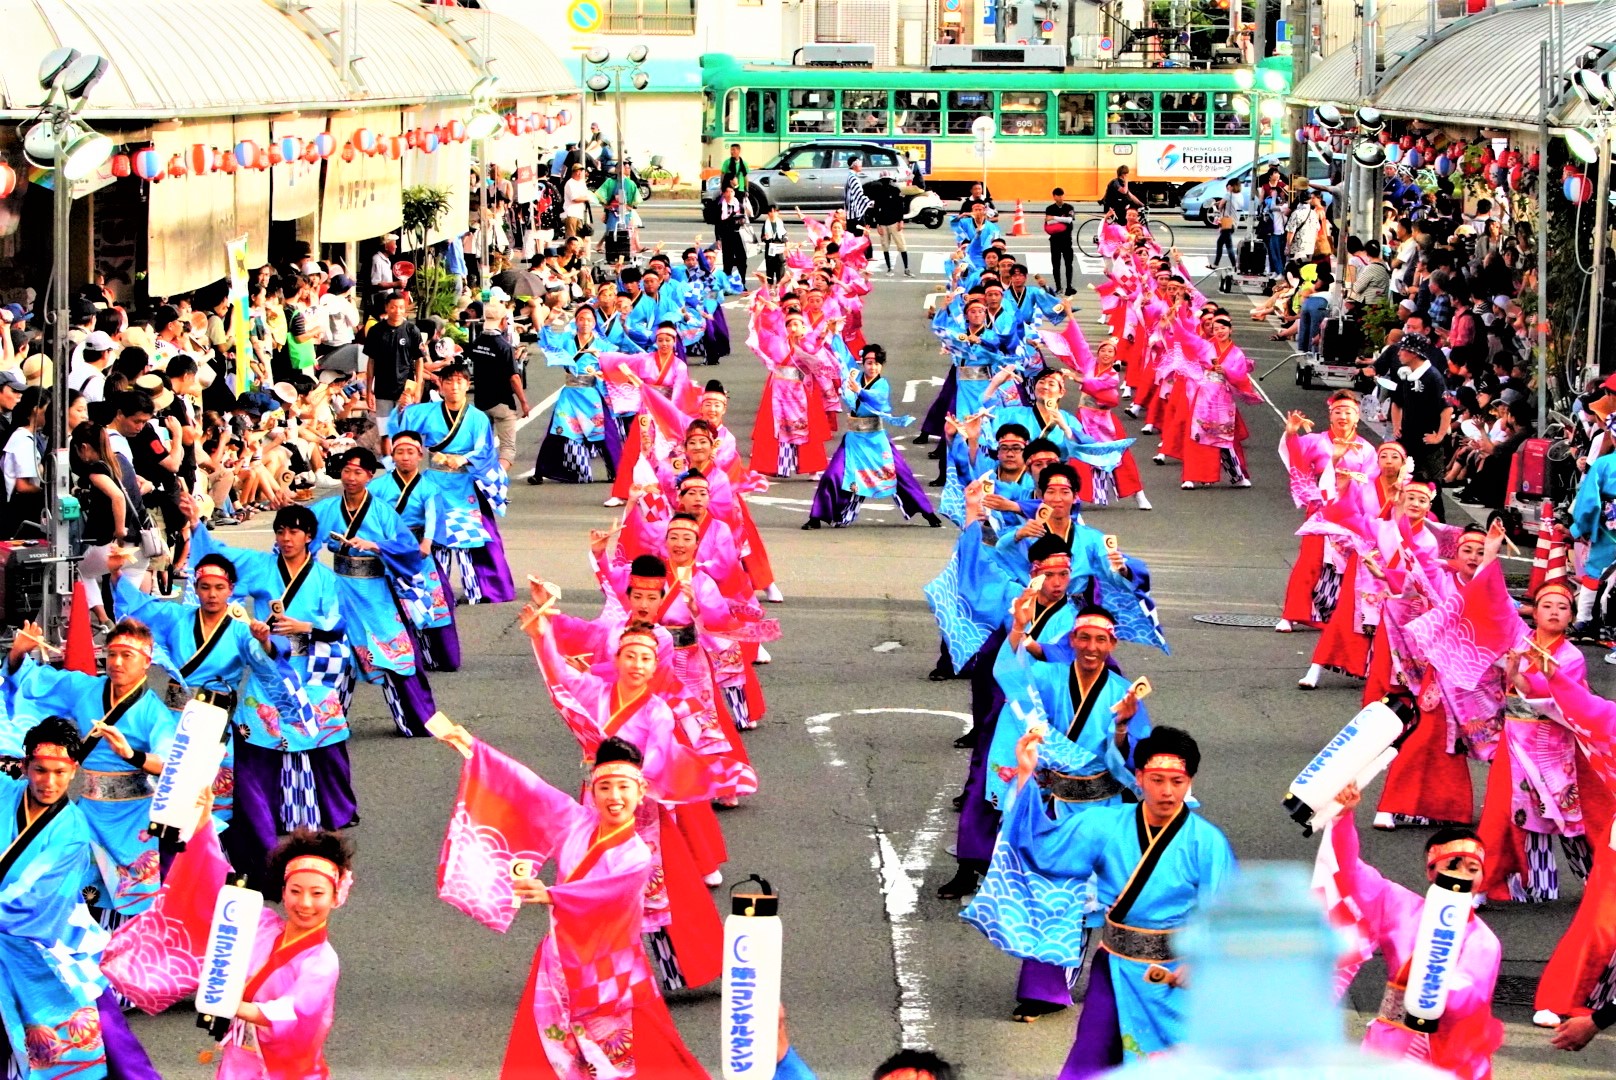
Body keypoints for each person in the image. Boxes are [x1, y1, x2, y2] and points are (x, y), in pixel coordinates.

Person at [431, 728, 709, 1079]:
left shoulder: (636, 854)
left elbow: (608, 892)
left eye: (624, 787)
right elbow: (528, 788)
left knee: (648, 1055)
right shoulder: (576, 822)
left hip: (612, 970)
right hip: (560, 957)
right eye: (605, 787)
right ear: (592, 792)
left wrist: (552, 894)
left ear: (641, 793)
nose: (614, 797)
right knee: (540, 1053)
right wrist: (472, 747)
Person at [963, 725, 1234, 1076]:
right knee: (1091, 1056)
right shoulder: (1105, 825)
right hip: (1116, 967)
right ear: (1138, 777)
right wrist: (1027, 775)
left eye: (1177, 781)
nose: (1167, 791)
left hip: (1175, 976)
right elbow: (1043, 849)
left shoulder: (1207, 842)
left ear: (1190, 781)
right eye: (1156, 779)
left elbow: (1228, 912)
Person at [181, 500, 361, 887]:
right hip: (267, 666)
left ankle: (335, 808)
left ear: (309, 537)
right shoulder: (263, 566)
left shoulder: (325, 577)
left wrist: (305, 624)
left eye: (294, 531)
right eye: (280, 531)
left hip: (309, 666)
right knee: (258, 740)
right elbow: (219, 560)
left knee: (324, 737)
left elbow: (338, 619)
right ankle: (267, 814)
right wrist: (197, 525)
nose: (286, 538)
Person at [0, 718, 161, 1080]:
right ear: (24, 766)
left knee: (90, 1040)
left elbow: (36, 904)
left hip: (47, 948)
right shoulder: (4, 794)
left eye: (60, 772)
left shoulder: (72, 831)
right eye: (40, 770)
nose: (49, 782)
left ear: (74, 772)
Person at [1325, 784, 1503, 1078]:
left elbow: (1471, 995)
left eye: (1473, 869)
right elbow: (1351, 873)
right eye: (1453, 865)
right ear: (1431, 872)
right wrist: (1343, 817)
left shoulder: (1483, 940)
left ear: (1483, 878)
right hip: (1389, 1042)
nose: (1462, 875)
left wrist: (1430, 988)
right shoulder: (1402, 907)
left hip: (1446, 1051)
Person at [5, 620, 175, 921]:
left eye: (127, 655)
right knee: (77, 884)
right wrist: (19, 653)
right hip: (89, 811)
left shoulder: (153, 712)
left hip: (133, 814)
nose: (117, 662)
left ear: (147, 662)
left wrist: (131, 754)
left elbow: (171, 764)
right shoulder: (86, 689)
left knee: (132, 893)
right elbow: (36, 681)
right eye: (111, 654)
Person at [804, 344, 940, 529]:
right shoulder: (855, 377)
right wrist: (833, 334)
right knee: (832, 475)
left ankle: (928, 513)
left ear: (881, 366)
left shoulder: (882, 384)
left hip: (876, 440)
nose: (872, 367)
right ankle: (816, 517)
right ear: (863, 364)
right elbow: (842, 358)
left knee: (902, 475)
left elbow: (878, 399)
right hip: (854, 439)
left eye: (876, 363)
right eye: (868, 363)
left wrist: (859, 391)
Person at [466, 301, 529, 474]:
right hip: (502, 401)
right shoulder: (504, 346)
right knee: (507, 450)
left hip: (481, 402)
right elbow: (514, 378)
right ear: (502, 321)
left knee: (484, 448)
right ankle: (496, 481)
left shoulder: (477, 343)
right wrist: (523, 401)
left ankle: (482, 480)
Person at [362, 293, 428, 442]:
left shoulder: (412, 330)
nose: (397, 311)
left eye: (400, 307)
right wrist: (368, 391)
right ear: (387, 307)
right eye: (393, 307)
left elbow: (419, 361)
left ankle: (402, 463)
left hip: (405, 388)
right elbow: (371, 361)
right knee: (385, 433)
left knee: (404, 432)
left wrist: (418, 389)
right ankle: (388, 463)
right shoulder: (376, 331)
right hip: (382, 388)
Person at [1, 384, 47, 538]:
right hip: (19, 512)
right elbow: (22, 486)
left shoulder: (29, 437)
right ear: (36, 409)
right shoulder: (23, 440)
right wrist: (47, 492)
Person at [1044, 188, 1077, 296]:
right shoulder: (1049, 208)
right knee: (1055, 264)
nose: (1060, 197)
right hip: (1055, 240)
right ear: (1054, 196)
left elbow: (1069, 220)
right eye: (1058, 195)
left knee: (1069, 264)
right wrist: (1061, 219)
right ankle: (1058, 287)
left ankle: (1069, 286)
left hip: (1067, 239)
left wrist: (1054, 218)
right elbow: (1049, 223)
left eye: (1062, 195)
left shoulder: (1069, 207)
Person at [715, 179, 751, 279]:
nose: (729, 194)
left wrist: (741, 220)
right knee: (727, 260)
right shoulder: (720, 207)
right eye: (727, 191)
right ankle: (727, 282)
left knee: (742, 260)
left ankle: (742, 281)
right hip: (726, 235)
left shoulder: (739, 205)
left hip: (738, 235)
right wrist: (718, 238)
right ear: (723, 194)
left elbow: (745, 219)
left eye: (731, 191)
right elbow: (717, 224)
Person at [843, 156, 872, 233]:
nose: (861, 166)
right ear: (854, 165)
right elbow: (859, 195)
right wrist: (870, 203)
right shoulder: (853, 178)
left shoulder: (851, 177)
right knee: (858, 238)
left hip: (851, 213)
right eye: (860, 164)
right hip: (854, 214)